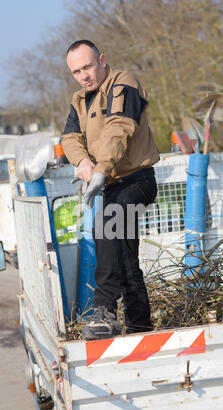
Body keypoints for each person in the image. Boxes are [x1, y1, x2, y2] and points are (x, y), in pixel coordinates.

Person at [62, 39, 159, 340]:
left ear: (102, 60)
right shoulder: (79, 100)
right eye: (77, 71)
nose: (84, 76)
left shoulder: (122, 83)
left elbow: (120, 127)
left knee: (107, 225)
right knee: (126, 259)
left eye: (88, 67)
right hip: (111, 185)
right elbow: (69, 138)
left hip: (136, 180)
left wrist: (101, 169)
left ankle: (103, 310)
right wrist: (83, 164)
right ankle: (141, 325)